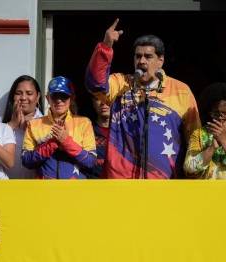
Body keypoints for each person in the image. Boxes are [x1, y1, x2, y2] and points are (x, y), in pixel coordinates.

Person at [85, 19, 200, 179]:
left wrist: (193, 178)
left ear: (161, 60)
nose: (142, 61)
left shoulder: (181, 91)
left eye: (148, 56)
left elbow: (195, 138)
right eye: (138, 56)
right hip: (121, 184)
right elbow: (95, 85)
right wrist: (106, 46)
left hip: (165, 185)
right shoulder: (121, 84)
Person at [23, 76, 96, 179]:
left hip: (76, 193)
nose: (59, 100)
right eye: (54, 96)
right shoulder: (34, 125)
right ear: (47, 98)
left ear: (71, 98)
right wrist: (52, 144)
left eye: (64, 96)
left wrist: (66, 142)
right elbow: (26, 161)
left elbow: (91, 162)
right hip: (45, 192)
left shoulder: (84, 123)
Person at [0, 75, 43, 179]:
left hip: (36, 189)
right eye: (18, 93)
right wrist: (11, 125)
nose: (23, 98)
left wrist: (32, 130)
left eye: (29, 93)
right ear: (13, 96)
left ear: (38, 96)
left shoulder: (46, 124)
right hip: (2, 188)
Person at [82, 94, 110, 178]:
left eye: (108, 98)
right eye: (98, 99)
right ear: (93, 103)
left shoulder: (124, 132)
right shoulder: (85, 130)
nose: (103, 103)